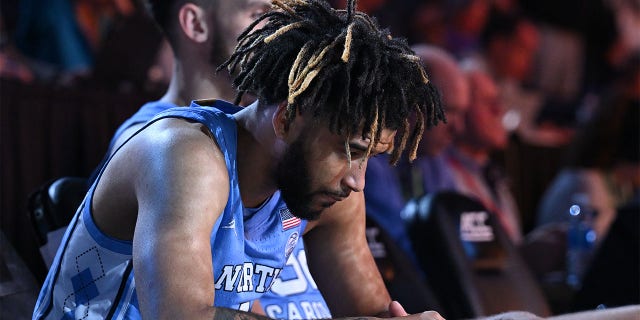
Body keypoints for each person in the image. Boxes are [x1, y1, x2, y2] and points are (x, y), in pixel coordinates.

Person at [32, 0, 446, 319]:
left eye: (371, 157)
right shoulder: (185, 153)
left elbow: (370, 313)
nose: (357, 180)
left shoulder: (325, 188)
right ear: (285, 121)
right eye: (353, 151)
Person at [88, 0, 331, 319]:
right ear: (196, 24)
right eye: (260, 15)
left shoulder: (289, 137)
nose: (285, 31)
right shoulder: (161, 144)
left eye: (287, 16)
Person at [442, 65, 522, 243]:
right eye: (487, 102)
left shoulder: (491, 174)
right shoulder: (443, 175)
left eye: (498, 101)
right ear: (460, 110)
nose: (498, 111)